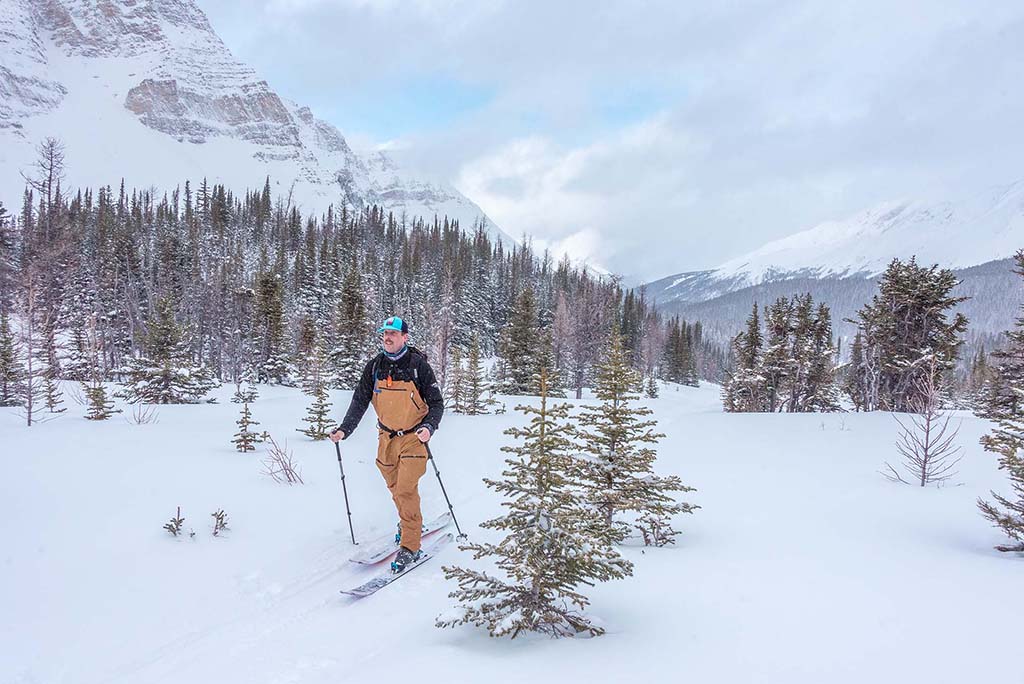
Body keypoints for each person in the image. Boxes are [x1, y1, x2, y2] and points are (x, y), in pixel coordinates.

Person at [330, 316, 444, 572]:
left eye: (394, 333)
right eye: (385, 333)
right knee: (394, 486)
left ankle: (410, 546)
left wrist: (429, 427)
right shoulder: (374, 367)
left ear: (405, 337)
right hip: (386, 438)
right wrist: (344, 430)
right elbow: (360, 400)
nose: (388, 337)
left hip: (415, 438)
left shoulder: (418, 366)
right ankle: (407, 521)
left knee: (405, 489)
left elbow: (437, 404)